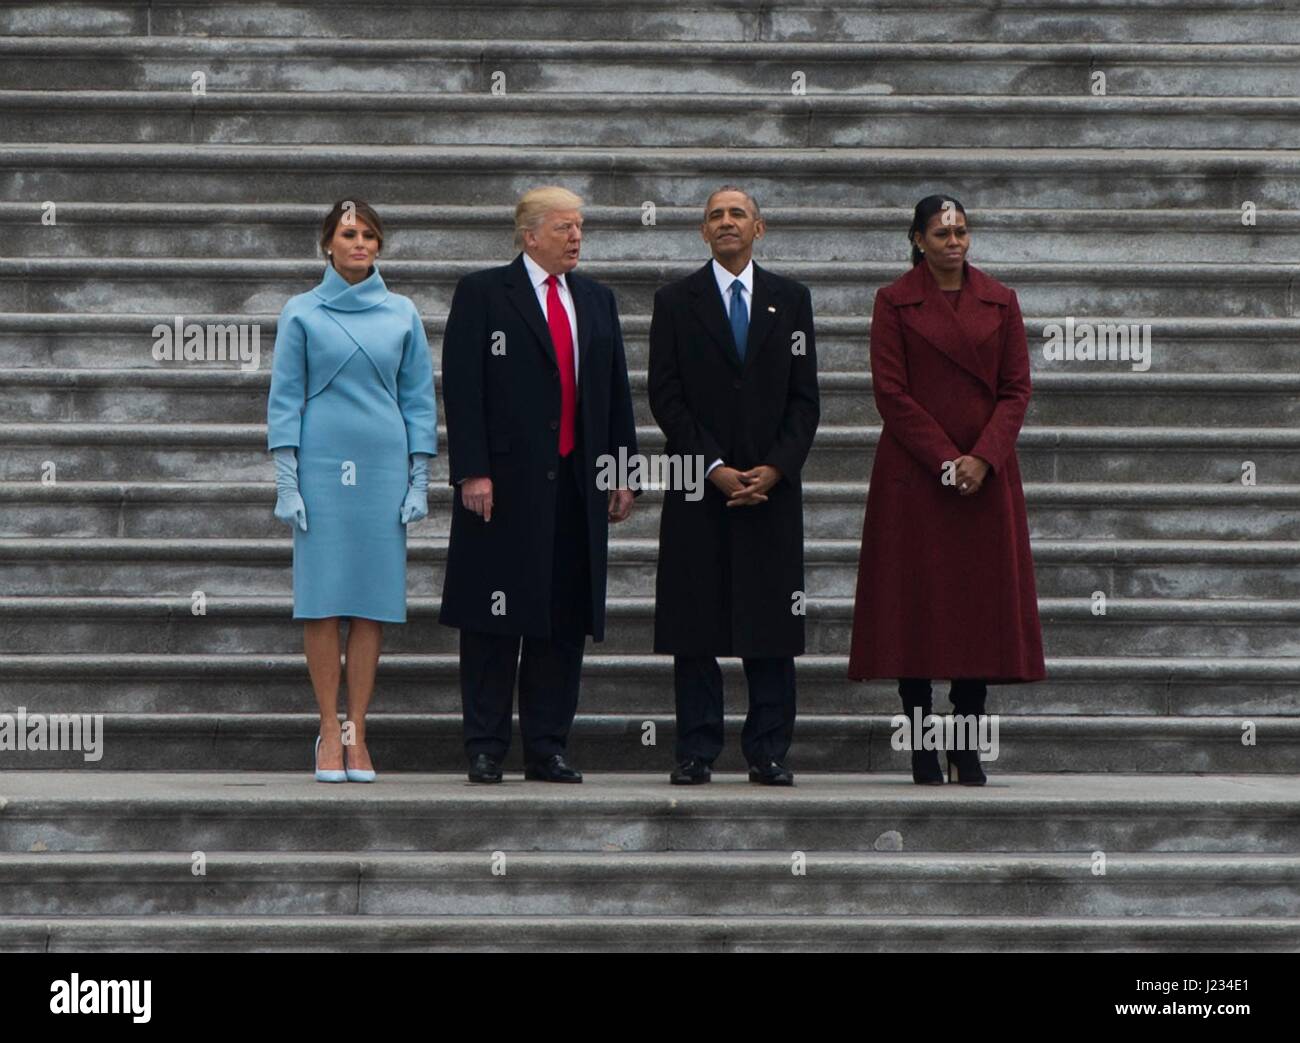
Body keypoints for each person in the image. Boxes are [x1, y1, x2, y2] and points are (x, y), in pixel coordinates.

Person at [439, 186, 638, 784]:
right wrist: (473, 469)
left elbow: (615, 390)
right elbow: (462, 386)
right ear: (529, 235)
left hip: (576, 482)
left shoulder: (597, 300)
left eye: (579, 227)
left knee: (562, 619)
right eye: (563, 228)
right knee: (493, 620)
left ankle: (547, 746)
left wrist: (623, 469)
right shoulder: (483, 293)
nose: (576, 237)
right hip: (503, 486)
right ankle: (485, 746)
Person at [847, 194, 1045, 786]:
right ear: (918, 239)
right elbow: (891, 393)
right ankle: (921, 744)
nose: (953, 242)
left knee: (975, 612)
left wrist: (982, 458)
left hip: (986, 476)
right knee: (917, 610)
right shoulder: (893, 301)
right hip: (916, 476)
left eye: (961, 231)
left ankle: (966, 743)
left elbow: (1016, 390)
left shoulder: (1001, 300)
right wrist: (945, 460)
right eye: (941, 233)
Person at [648, 186, 820, 786]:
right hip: (700, 488)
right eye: (715, 216)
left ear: (759, 228)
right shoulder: (675, 301)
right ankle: (695, 749)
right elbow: (665, 396)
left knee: (770, 622)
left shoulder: (791, 301)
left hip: (772, 491)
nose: (726, 223)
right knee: (695, 621)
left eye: (737, 214)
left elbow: (805, 401)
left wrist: (776, 467)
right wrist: (714, 467)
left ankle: (768, 749)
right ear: (702, 232)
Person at [267, 199, 437, 783]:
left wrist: (421, 476)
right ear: (327, 244)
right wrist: (287, 481)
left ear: (379, 245)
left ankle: (356, 730)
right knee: (322, 600)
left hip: (383, 467)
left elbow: (418, 398)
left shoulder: (402, 312)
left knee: (371, 603)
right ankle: (326, 729)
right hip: (321, 466)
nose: (359, 242)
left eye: (368, 234)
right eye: (347, 233)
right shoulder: (301, 312)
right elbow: (285, 397)